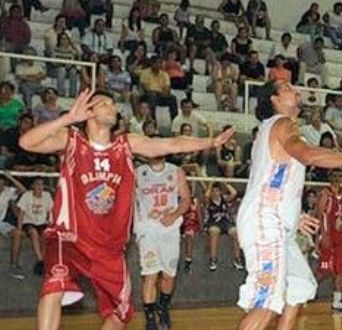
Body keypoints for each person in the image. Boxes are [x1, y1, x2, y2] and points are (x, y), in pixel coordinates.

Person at [18, 89, 234, 330]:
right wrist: (67, 118)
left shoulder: (126, 144)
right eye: (105, 104)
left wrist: (210, 142)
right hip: (70, 237)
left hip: (110, 247)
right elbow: (26, 142)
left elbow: (171, 143)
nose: (113, 107)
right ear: (88, 112)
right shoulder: (71, 140)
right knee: (54, 285)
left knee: (121, 315)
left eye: (113, 103)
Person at [236, 80, 342, 330]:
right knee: (266, 303)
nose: (294, 89)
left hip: (274, 220)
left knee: (299, 286)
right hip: (266, 223)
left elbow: (268, 179)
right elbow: (308, 156)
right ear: (274, 99)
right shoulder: (282, 123)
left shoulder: (271, 130)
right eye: (286, 87)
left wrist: (293, 214)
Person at [134, 156, 191, 330]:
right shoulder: (138, 173)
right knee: (150, 274)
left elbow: (186, 200)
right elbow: (127, 200)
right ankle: (150, 318)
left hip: (170, 230)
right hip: (147, 230)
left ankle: (163, 307)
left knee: (168, 275)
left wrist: (174, 215)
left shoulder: (175, 171)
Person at [315, 169, 342, 312]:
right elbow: (319, 215)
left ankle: (337, 301)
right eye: (334, 176)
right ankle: (305, 290)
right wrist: (322, 235)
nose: (337, 178)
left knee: (340, 269)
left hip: (338, 236)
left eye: (339, 176)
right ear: (329, 178)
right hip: (327, 235)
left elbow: (341, 220)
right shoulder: (325, 194)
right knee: (325, 270)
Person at [13, 178, 53, 276]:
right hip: (29, 222)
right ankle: (40, 261)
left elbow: (50, 211)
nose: (40, 187)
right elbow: (21, 213)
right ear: (32, 186)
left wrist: (51, 224)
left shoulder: (47, 195)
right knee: (33, 233)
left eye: (42, 184)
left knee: (45, 234)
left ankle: (42, 262)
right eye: (37, 184)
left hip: (42, 222)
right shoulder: (27, 195)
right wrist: (19, 227)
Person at [204, 182, 243, 271]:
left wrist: (225, 183)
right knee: (214, 231)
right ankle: (213, 259)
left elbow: (234, 193)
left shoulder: (224, 199)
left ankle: (237, 259)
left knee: (235, 231)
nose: (215, 193)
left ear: (220, 192)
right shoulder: (208, 200)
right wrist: (210, 184)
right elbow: (206, 196)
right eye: (213, 191)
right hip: (213, 223)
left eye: (217, 191)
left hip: (225, 222)